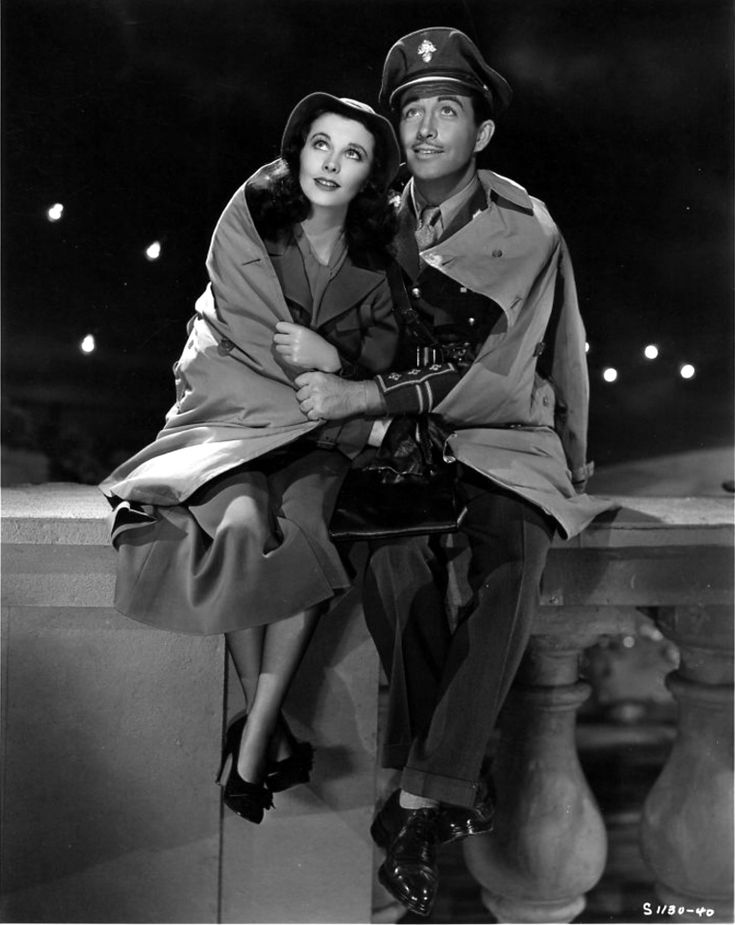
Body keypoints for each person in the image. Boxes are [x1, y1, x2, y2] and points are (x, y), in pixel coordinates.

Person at [293, 28, 615, 915]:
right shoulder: (372, 224)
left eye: (448, 109)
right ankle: (431, 792)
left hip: (502, 435)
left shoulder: (521, 222)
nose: (428, 127)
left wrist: (573, 457)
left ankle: (421, 792)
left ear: (481, 133)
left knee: (509, 561)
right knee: (396, 570)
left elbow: (525, 360)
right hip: (408, 450)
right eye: (412, 112)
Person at [99, 93, 401, 826]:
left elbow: (381, 364)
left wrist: (335, 359)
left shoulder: (375, 259)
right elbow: (224, 335)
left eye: (353, 154)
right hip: (236, 427)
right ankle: (269, 736)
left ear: (369, 177)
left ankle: (252, 741)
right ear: (297, 150)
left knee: (298, 542)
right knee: (240, 529)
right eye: (321, 145)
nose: (331, 163)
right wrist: (317, 395)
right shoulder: (252, 230)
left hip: (315, 444)